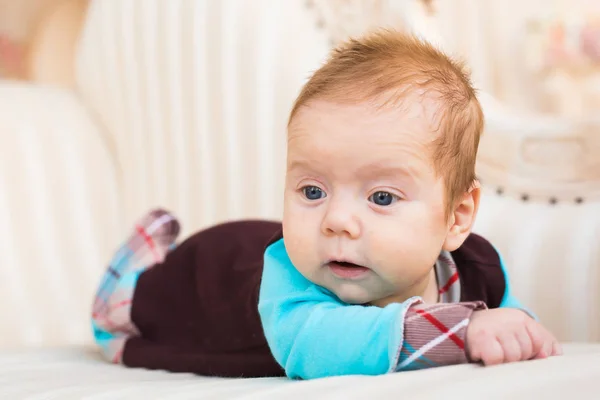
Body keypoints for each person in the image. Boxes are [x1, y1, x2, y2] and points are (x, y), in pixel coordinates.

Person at [91, 29, 561, 380]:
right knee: (129, 308)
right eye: (312, 192)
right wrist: (464, 331)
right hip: (213, 270)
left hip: (242, 249)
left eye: (381, 197)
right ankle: (139, 263)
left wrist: (514, 325)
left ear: (456, 218)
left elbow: (510, 328)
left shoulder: (478, 266)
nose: (336, 220)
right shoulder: (288, 279)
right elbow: (315, 345)